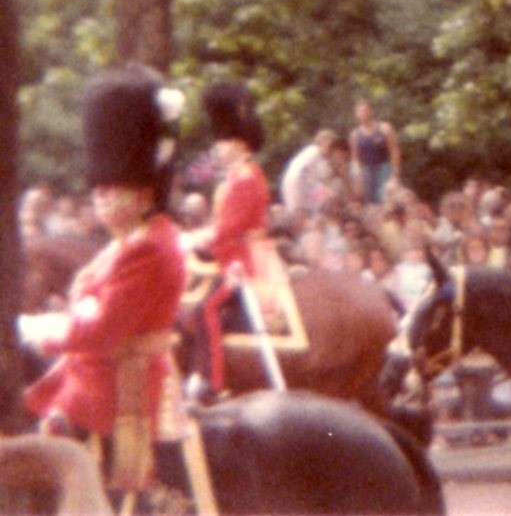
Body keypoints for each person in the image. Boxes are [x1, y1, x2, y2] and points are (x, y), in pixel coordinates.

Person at [22, 68, 188, 496]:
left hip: (118, 390)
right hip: (99, 371)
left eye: (111, 187)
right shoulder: (130, 240)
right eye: (98, 187)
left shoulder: (146, 247)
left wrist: (36, 330)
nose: (99, 195)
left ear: (145, 192)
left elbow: (100, 330)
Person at [184, 80, 271, 402]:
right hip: (232, 254)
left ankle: (213, 382)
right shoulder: (236, 177)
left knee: (205, 308)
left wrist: (194, 241)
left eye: (224, 141)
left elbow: (227, 230)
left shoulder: (247, 178)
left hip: (243, 261)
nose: (218, 148)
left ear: (242, 145)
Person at [349, 98, 401, 205]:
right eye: (359, 112)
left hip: (383, 169)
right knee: (368, 203)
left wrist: (395, 176)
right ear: (356, 115)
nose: (363, 114)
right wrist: (356, 180)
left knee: (385, 199)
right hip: (366, 171)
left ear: (371, 111)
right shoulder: (355, 135)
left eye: (365, 110)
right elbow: (355, 160)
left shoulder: (384, 129)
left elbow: (395, 152)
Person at [278, 128, 338, 217]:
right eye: (330, 143)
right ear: (323, 141)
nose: (332, 148)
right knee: (332, 196)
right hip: (299, 184)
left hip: (295, 184)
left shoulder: (312, 152)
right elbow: (305, 176)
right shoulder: (315, 153)